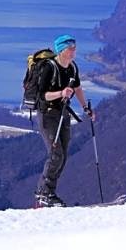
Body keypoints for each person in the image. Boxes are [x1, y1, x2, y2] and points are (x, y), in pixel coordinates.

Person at [34, 34, 95, 208]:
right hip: (47, 114)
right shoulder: (49, 68)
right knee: (56, 154)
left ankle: (46, 192)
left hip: (62, 114)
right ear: (61, 50)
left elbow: (77, 88)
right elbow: (42, 95)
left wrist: (85, 108)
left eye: (74, 47)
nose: (74, 51)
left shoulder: (72, 67)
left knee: (62, 156)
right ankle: (45, 193)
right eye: (70, 48)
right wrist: (61, 93)